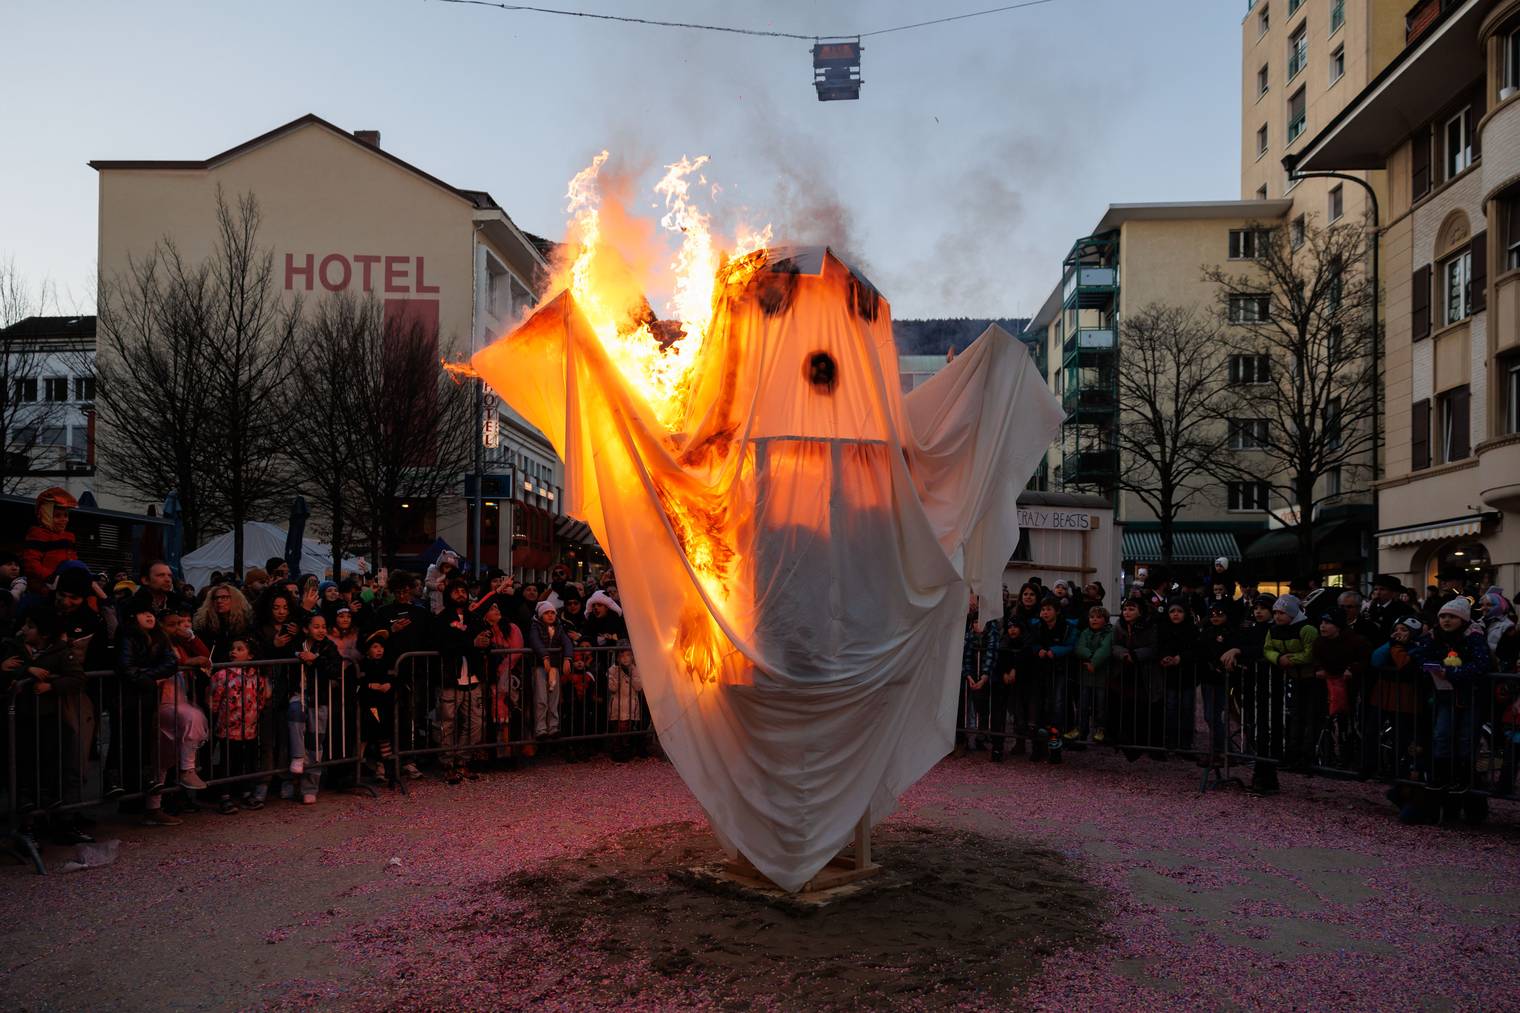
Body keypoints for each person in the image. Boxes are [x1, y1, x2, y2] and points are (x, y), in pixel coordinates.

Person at [118, 598, 206, 827]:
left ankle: (158, 803)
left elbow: (205, 657)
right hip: (156, 704)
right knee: (164, 749)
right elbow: (154, 667)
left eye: (180, 624)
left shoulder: (174, 645)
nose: (179, 629)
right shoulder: (153, 643)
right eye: (172, 625)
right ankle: (179, 778)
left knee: (165, 756)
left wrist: (192, 641)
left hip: (173, 701)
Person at [1409, 598, 1491, 824]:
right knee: (1441, 734)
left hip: (1470, 696)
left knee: (1465, 738)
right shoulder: (1434, 635)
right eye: (1443, 616)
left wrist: (1452, 673)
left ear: (1463, 619)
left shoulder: (1474, 636)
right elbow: (1417, 654)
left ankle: (1463, 777)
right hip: (1444, 695)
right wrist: (1431, 667)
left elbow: (1482, 665)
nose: (1446, 620)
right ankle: (1441, 776)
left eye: (1452, 617)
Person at [434, 578, 491, 783]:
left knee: (476, 722)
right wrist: (471, 642)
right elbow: (445, 644)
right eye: (456, 591)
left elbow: (483, 640)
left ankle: (463, 760)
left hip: (473, 677)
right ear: (448, 594)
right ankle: (447, 763)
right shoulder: (441, 619)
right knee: (447, 723)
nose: (460, 594)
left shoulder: (474, 618)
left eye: (463, 591)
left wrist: (485, 641)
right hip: (451, 678)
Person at [206, 637, 272, 813]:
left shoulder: (258, 675)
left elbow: (264, 697)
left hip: (250, 727)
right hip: (228, 727)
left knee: (247, 761)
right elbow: (213, 698)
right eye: (233, 648)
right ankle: (224, 796)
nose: (234, 651)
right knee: (227, 762)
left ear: (250, 655)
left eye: (240, 649)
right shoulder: (222, 673)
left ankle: (246, 792)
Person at [288, 612, 340, 804]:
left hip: (320, 699)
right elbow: (285, 653)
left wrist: (316, 660)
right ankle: (297, 756)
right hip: (298, 694)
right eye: (316, 626)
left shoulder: (328, 645)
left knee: (315, 742)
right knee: (294, 714)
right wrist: (299, 655)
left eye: (323, 626)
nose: (321, 630)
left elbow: (336, 667)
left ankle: (310, 787)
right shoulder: (297, 644)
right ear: (306, 629)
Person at [1264, 595, 1320, 771]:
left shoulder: (1307, 629)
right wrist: (1279, 659)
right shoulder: (1273, 629)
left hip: (1311, 679)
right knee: (1296, 718)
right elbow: (1267, 649)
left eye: (1282, 612)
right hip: (1294, 678)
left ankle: (1307, 758)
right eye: (1275, 612)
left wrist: (1291, 660)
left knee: (1310, 718)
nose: (1277, 616)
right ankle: (1292, 756)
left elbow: (1311, 653)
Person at [1111, 598, 1159, 760]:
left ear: (1140, 611)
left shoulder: (1149, 626)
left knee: (1142, 710)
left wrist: (1136, 655)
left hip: (1143, 672)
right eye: (1125, 609)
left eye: (1131, 609)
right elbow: (1114, 644)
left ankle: (1142, 744)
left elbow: (1154, 647)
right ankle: (1126, 744)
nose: (1127, 612)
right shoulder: (1119, 626)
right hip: (1124, 671)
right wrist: (1123, 654)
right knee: (1123, 708)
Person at [1195, 602, 1240, 767]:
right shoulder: (1206, 632)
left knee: (1214, 716)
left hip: (1220, 680)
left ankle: (1221, 751)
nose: (1215, 617)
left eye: (1219, 614)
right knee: (1210, 716)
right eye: (1213, 614)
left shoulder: (1230, 633)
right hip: (1208, 678)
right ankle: (1220, 750)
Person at [527, 600, 574, 740]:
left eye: (552, 612)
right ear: (541, 615)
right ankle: (540, 728)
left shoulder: (559, 627)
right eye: (547, 613)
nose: (550, 615)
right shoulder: (535, 626)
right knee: (541, 698)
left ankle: (554, 726)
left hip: (554, 667)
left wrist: (567, 658)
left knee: (554, 698)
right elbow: (534, 640)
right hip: (540, 667)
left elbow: (567, 642)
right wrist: (544, 656)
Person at [1155, 602, 1198, 754]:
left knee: (1187, 708)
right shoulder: (1163, 629)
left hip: (1187, 674)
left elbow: (1196, 649)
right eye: (1172, 611)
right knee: (1171, 708)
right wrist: (1164, 658)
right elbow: (1159, 647)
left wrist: (1181, 658)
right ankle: (1171, 741)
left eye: (1179, 611)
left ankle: (1186, 743)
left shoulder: (1192, 630)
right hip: (1169, 675)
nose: (1175, 614)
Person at [357, 629, 397, 784]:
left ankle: (387, 771)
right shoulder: (362, 665)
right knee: (365, 738)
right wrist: (369, 685)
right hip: (369, 705)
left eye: (381, 647)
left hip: (384, 704)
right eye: (375, 647)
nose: (379, 650)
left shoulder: (387, 663)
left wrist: (389, 684)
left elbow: (395, 678)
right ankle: (359, 768)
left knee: (384, 736)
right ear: (367, 650)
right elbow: (357, 683)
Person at [1071, 606, 1112, 744]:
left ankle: (1100, 729)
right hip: (1086, 676)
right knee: (1083, 705)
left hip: (1101, 676)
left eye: (1098, 617)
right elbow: (1079, 647)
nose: (1094, 619)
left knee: (1101, 705)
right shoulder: (1085, 633)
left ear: (1105, 620)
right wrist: (1090, 656)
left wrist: (1093, 662)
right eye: (1092, 617)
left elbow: (1105, 649)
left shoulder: (1109, 633)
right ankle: (1080, 729)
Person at [194, 584, 254, 662]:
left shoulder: (245, 623)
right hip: (214, 668)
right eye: (216, 598)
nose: (219, 601)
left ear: (235, 599)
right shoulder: (205, 624)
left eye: (224, 597)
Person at [605, 644, 643, 761]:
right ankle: (617, 750)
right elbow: (613, 688)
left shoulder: (636, 669)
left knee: (628, 727)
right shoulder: (612, 670)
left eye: (628, 655)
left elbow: (638, 687)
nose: (625, 658)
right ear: (617, 658)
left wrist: (630, 673)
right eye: (622, 656)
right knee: (617, 728)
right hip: (617, 704)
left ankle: (627, 749)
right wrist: (618, 673)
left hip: (631, 704)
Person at [424, 550, 460, 614]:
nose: (448, 569)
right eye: (446, 567)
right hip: (430, 593)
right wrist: (437, 586)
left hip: (444, 597)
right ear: (440, 563)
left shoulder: (449, 574)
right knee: (437, 592)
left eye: (451, 568)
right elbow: (427, 583)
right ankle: (437, 610)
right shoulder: (432, 569)